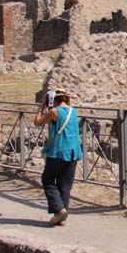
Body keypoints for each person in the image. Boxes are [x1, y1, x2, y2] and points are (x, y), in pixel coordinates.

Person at [34, 88, 82, 225]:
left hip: (58, 152)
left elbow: (37, 122)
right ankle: (62, 218)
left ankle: (60, 209)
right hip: (73, 152)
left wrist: (41, 107)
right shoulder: (73, 111)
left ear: (54, 99)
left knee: (47, 180)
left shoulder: (54, 111)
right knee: (65, 185)